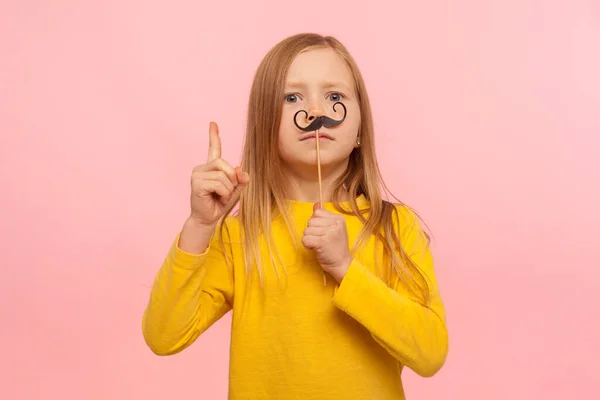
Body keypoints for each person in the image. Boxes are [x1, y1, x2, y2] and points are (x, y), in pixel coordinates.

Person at [142, 32, 448, 399]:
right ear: (265, 126)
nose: (317, 111)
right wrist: (201, 226)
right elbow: (164, 335)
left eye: (335, 96)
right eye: (292, 97)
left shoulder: (395, 227)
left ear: (359, 130)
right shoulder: (241, 234)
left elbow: (430, 353)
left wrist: (346, 269)